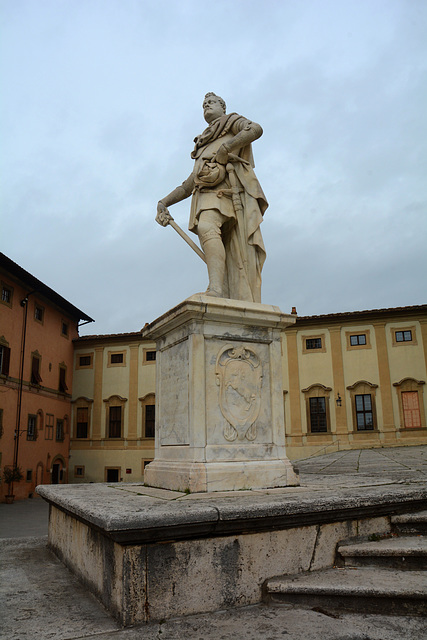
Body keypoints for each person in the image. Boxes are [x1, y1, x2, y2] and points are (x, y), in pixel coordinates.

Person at [156, 92, 267, 302]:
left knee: (207, 227)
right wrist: (164, 202)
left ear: (222, 107)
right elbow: (189, 184)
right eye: (204, 104)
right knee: (212, 236)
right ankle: (221, 288)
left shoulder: (231, 123)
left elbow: (255, 129)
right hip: (204, 195)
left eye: (211, 102)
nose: (206, 105)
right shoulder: (203, 143)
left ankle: (216, 289)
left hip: (225, 193)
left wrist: (227, 148)